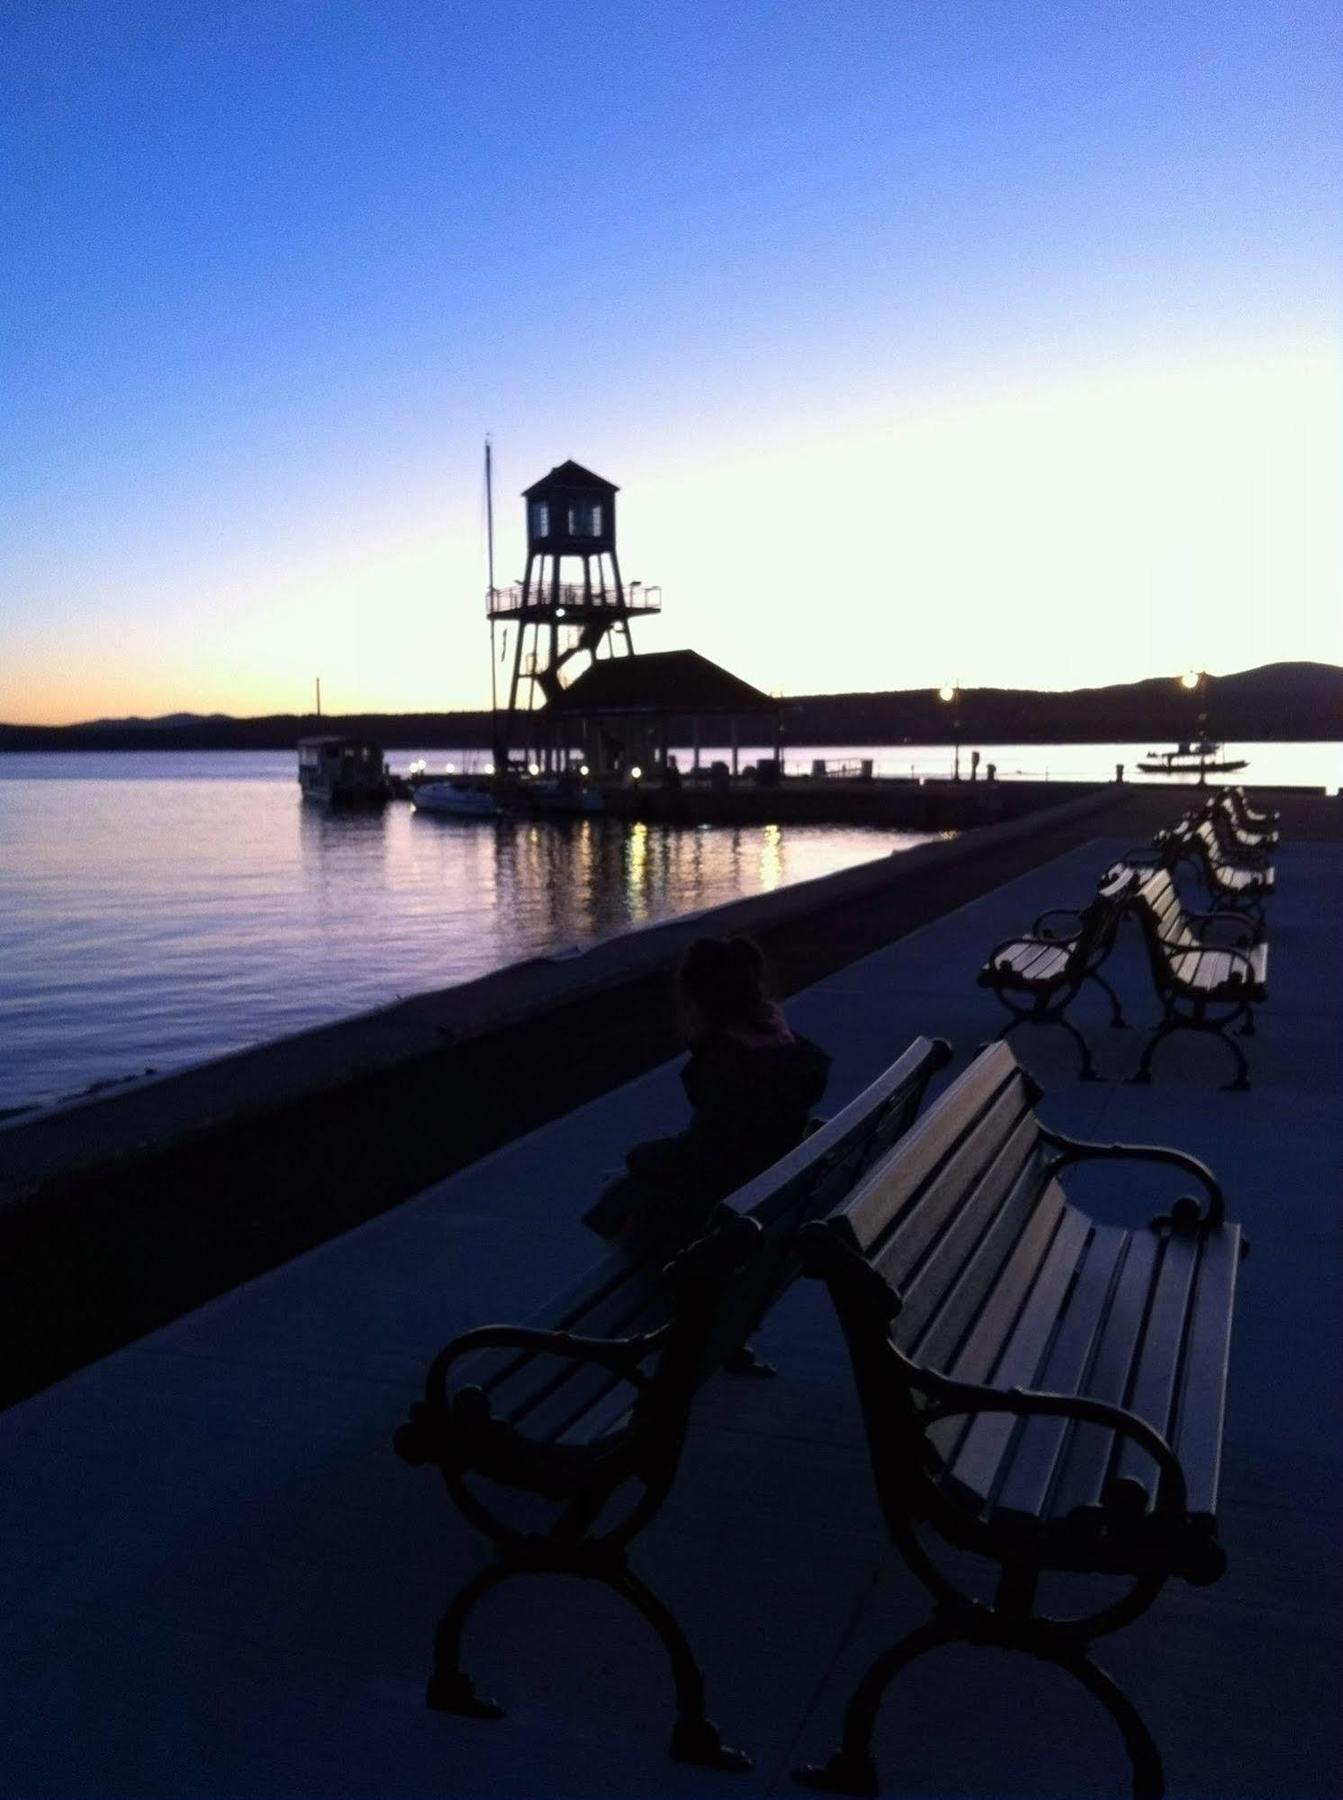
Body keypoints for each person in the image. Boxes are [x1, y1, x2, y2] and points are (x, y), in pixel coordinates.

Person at [582, 935, 830, 1256]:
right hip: (768, 1199)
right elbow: (719, 1143)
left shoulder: (731, 1066)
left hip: (727, 1224)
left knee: (620, 1199)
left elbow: (702, 1158)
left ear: (697, 1004)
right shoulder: (784, 1052)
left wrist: (641, 1155)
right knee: (624, 1192)